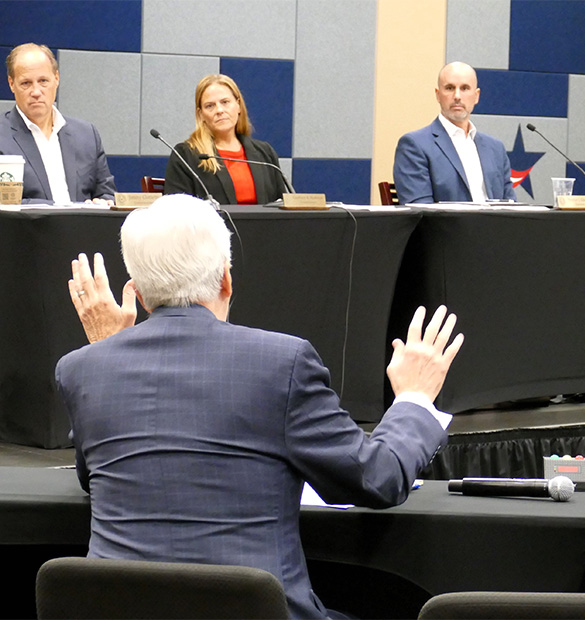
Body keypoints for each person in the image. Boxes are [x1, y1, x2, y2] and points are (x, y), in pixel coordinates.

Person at [55, 194, 463, 619]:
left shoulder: (81, 369)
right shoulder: (282, 363)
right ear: (226, 280)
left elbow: (94, 474)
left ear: (139, 295)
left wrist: (108, 352)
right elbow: (377, 477)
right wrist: (414, 398)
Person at [0, 43, 116, 205]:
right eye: (26, 83)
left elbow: (107, 193)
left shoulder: (87, 135)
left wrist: (104, 202)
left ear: (56, 78)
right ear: (11, 84)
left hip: (83, 222)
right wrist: (61, 209)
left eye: (43, 81)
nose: (36, 92)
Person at [392, 61, 517, 205]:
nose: (457, 96)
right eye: (450, 88)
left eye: (465, 88)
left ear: (476, 96)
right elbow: (420, 210)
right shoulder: (414, 145)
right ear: (438, 95)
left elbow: (511, 205)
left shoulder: (496, 148)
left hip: (495, 220)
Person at [163, 74, 287, 205]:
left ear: (238, 106)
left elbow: (282, 206)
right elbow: (176, 209)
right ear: (201, 114)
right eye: (210, 106)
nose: (219, 110)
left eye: (225, 102)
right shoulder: (186, 155)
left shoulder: (265, 153)